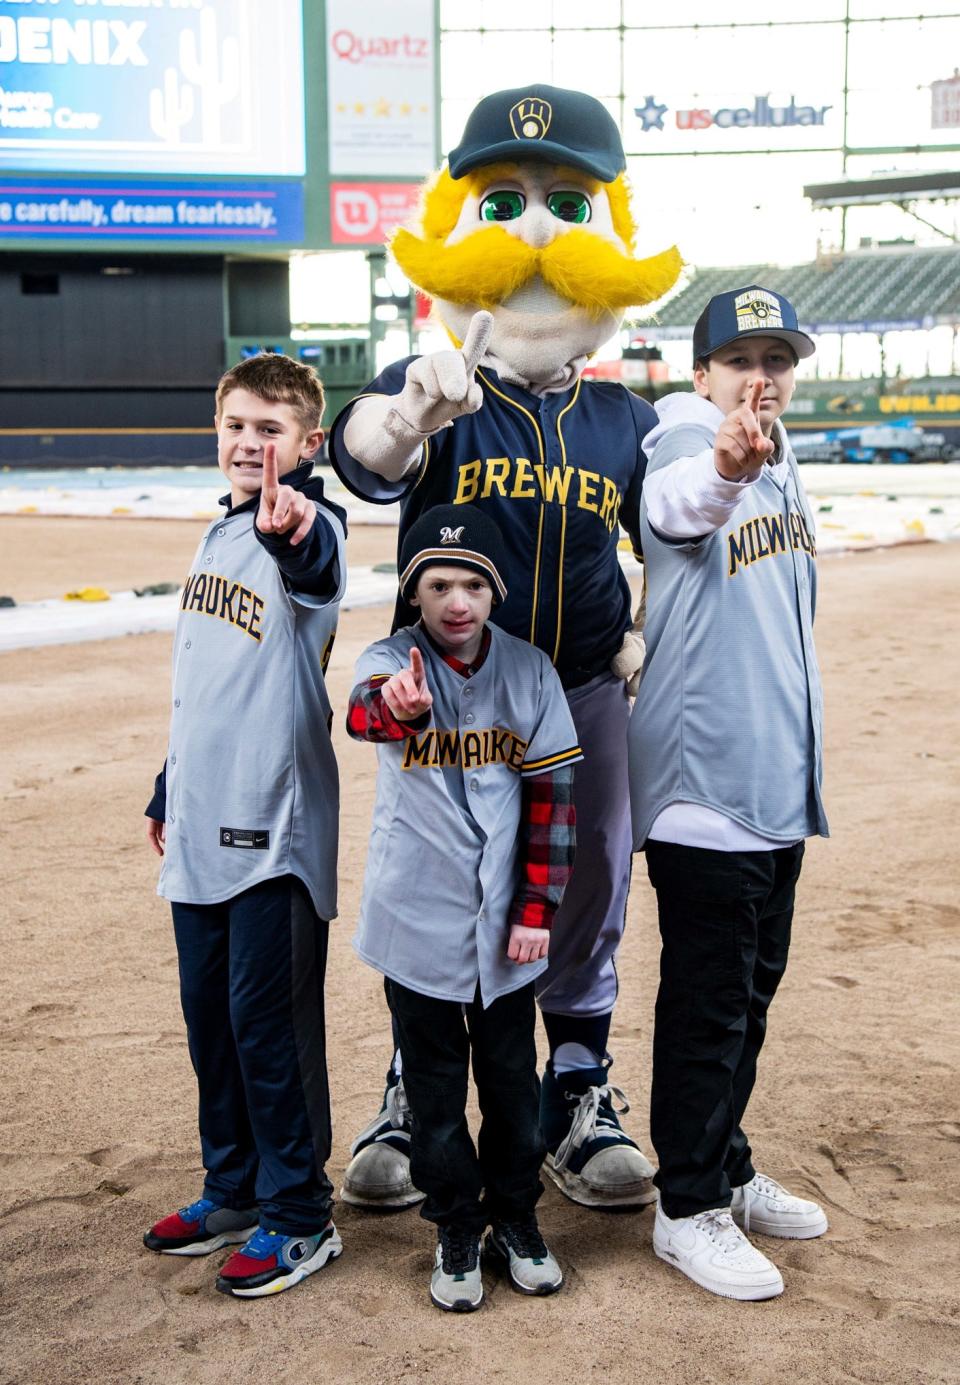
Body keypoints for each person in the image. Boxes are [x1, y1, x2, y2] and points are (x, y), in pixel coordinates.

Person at [331, 82, 682, 1211]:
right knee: (438, 885)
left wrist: (639, 635)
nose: (534, 228)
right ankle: (412, 1078)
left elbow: (676, 543)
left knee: (584, 886)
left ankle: (576, 1082)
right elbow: (363, 460)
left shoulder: (628, 420)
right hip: (449, 701)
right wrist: (404, 416)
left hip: (579, 691)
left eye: (566, 201)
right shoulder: (433, 385)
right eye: (506, 200)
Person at [628, 286, 830, 1301]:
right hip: (705, 784)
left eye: (778, 357)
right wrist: (721, 466)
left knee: (748, 996)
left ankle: (727, 1164)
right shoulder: (682, 442)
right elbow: (674, 510)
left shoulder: (783, 459)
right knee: (709, 1006)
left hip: (773, 780)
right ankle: (687, 1206)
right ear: (700, 371)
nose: (763, 374)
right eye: (743, 357)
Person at [141, 352, 348, 1299]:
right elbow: (208, 681)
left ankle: (300, 1212)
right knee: (210, 1024)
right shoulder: (216, 535)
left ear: (307, 446)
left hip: (273, 826)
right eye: (236, 426)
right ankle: (233, 1186)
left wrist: (296, 528)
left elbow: (315, 565)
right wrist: (164, 785)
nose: (249, 445)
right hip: (200, 816)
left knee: (268, 1025)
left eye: (271, 431)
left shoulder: (308, 526)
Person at [347, 504, 581, 1312]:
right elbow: (363, 711)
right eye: (438, 583)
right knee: (437, 1092)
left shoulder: (531, 670)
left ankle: (515, 1216)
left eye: (472, 583)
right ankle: (455, 1223)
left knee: (515, 1087)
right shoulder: (390, 659)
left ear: (494, 590)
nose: (457, 600)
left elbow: (553, 797)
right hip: (417, 920)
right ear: (414, 592)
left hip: (509, 929)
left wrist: (536, 910)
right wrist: (400, 711)